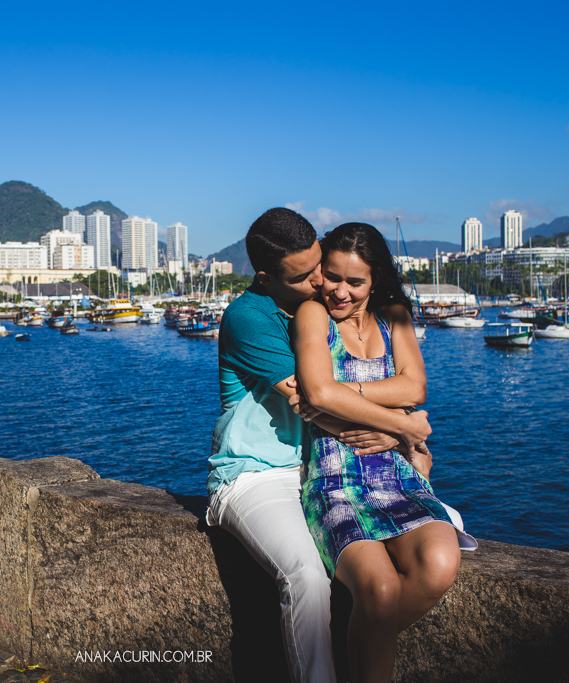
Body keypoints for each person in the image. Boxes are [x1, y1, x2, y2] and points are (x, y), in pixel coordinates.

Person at [206, 209, 433, 683]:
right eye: (307, 275)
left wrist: (402, 421)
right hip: (255, 475)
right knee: (308, 575)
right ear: (267, 278)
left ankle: (358, 643)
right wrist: (402, 429)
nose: (320, 282)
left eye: (320, 267)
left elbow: (381, 386)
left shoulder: (320, 307)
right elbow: (318, 402)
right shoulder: (251, 317)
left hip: (313, 470)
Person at [291, 222, 477, 683]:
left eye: (355, 282)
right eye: (332, 276)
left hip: (397, 473)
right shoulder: (312, 315)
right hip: (335, 479)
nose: (340, 291)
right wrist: (395, 419)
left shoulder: (395, 314)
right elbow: (316, 390)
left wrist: (344, 393)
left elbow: (415, 386)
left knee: (439, 564)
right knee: (379, 587)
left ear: (376, 281)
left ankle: (351, 644)